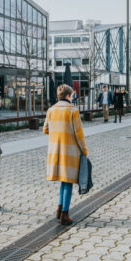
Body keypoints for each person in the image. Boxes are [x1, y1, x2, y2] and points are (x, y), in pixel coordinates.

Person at [43, 84, 88, 225]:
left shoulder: (51, 110)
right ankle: (65, 214)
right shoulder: (73, 111)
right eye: (73, 95)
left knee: (63, 181)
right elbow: (79, 134)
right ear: (68, 96)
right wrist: (84, 151)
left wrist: (58, 132)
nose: (73, 97)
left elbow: (45, 129)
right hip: (69, 151)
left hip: (55, 151)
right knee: (68, 181)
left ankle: (59, 209)